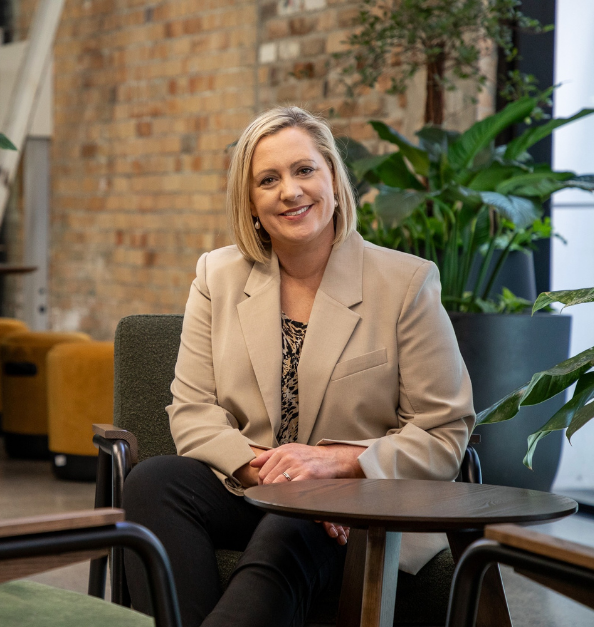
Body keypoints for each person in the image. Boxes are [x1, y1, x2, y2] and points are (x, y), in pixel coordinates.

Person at [123, 106, 474, 627]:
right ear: (251, 202)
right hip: (253, 485)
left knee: (293, 525)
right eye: (268, 179)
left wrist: (334, 466)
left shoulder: (405, 284)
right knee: (153, 482)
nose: (290, 191)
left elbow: (443, 431)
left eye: (304, 170)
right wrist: (280, 479)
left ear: (333, 177)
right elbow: (192, 412)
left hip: (356, 510)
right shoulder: (216, 276)